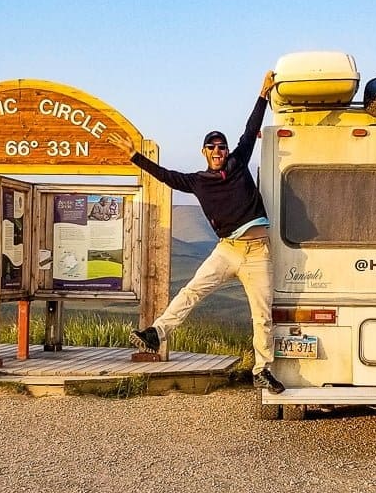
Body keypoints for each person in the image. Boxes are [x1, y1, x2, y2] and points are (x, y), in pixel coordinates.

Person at [107, 71, 285, 394]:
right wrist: (135, 157)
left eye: (221, 146)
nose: (218, 151)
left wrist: (262, 94)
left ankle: (262, 369)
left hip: (258, 252)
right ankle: (156, 333)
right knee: (191, 291)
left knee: (262, 316)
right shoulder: (197, 181)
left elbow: (250, 129)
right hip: (227, 250)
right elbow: (165, 175)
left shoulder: (239, 162)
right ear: (204, 152)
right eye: (212, 147)